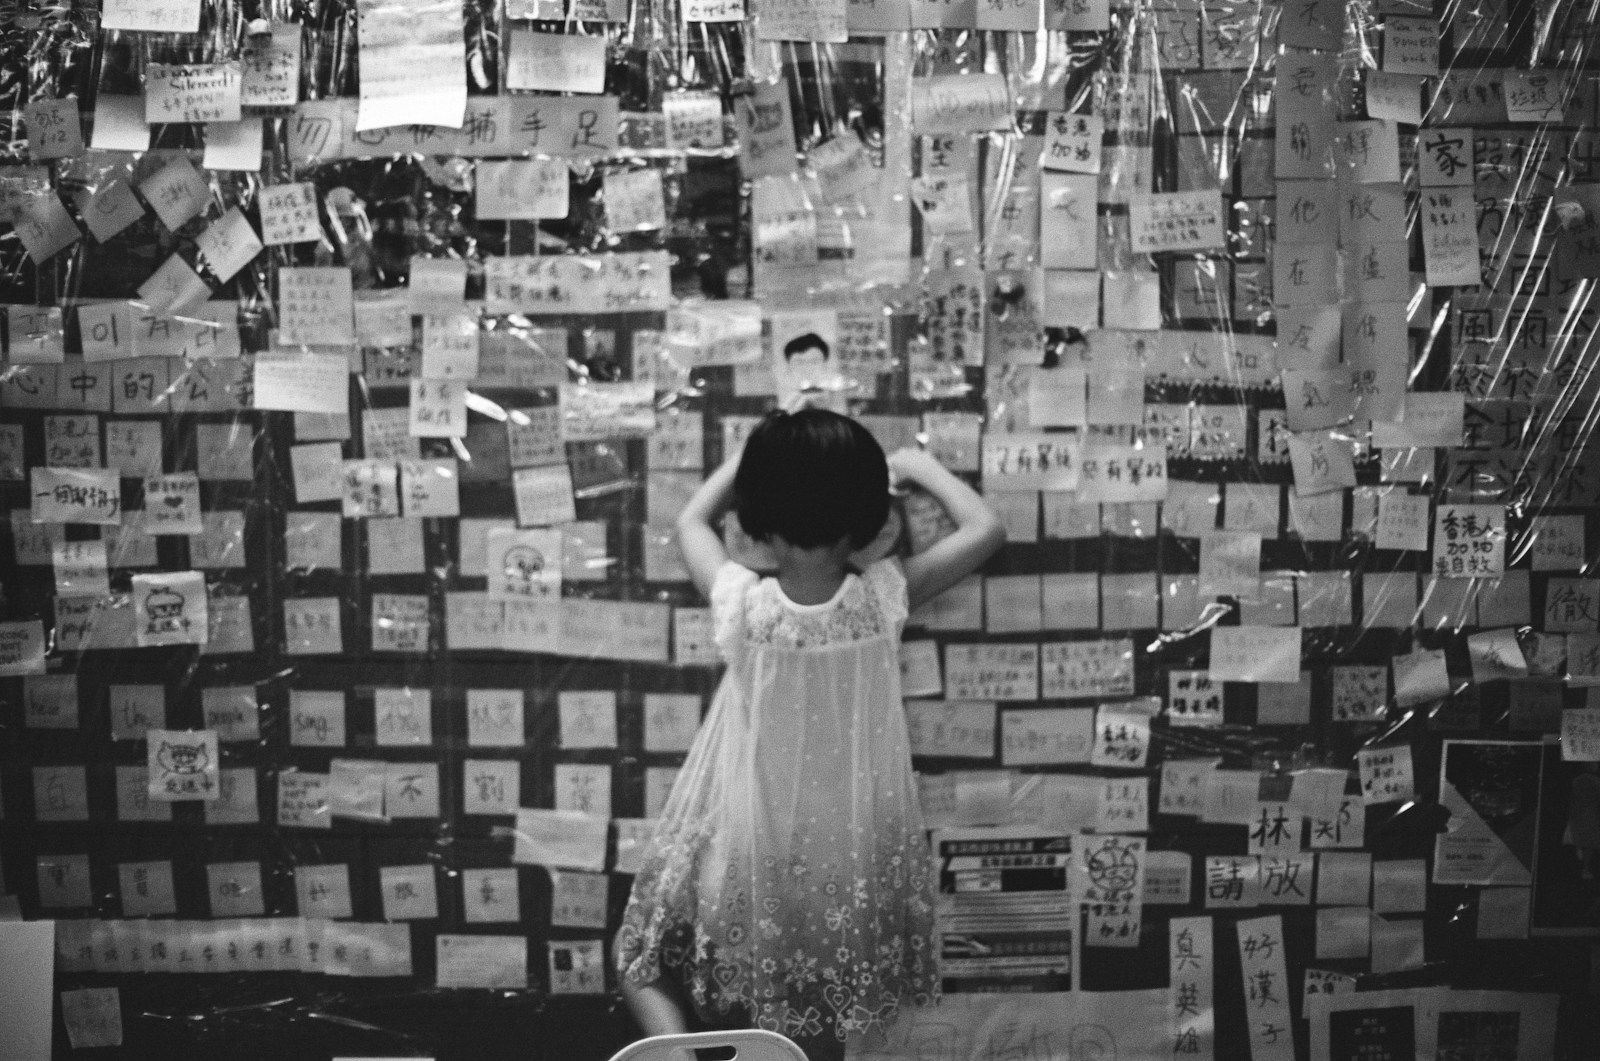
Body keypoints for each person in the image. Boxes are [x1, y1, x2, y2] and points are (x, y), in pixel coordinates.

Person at [614, 407, 1005, 1055]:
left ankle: (678, 1053)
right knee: (825, 1001)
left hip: (750, 832)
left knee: (637, 951)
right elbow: (987, 528)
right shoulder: (881, 597)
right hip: (850, 843)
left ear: (757, 514)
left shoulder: (742, 601)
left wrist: (749, 458)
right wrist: (918, 465)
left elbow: (690, 521)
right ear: (869, 513)